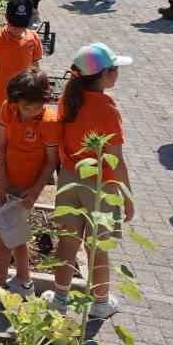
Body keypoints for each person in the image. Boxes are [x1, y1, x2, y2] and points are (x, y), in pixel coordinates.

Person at [48, 44, 134, 320]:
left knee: (67, 241)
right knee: (98, 245)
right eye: (115, 69)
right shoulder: (107, 108)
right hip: (101, 184)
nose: (118, 73)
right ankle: (100, 301)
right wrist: (127, 196)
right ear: (104, 76)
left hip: (70, 179)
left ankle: (60, 297)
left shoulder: (68, 99)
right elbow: (116, 160)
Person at [0, 66, 60, 295]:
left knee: (5, 236)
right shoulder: (7, 110)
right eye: (25, 106)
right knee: (14, 234)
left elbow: (51, 162)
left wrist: (35, 192)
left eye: (37, 105)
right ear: (15, 101)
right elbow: (1, 147)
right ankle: (23, 279)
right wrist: (1, 181)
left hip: (26, 190)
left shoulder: (49, 121)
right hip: (8, 184)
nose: (31, 111)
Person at [0, 0, 43, 186]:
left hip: (22, 102)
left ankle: (10, 175)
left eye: (21, 25)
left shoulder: (33, 39)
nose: (16, 29)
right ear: (6, 18)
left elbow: (36, 68)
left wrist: (38, 94)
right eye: (13, 24)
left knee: (15, 141)